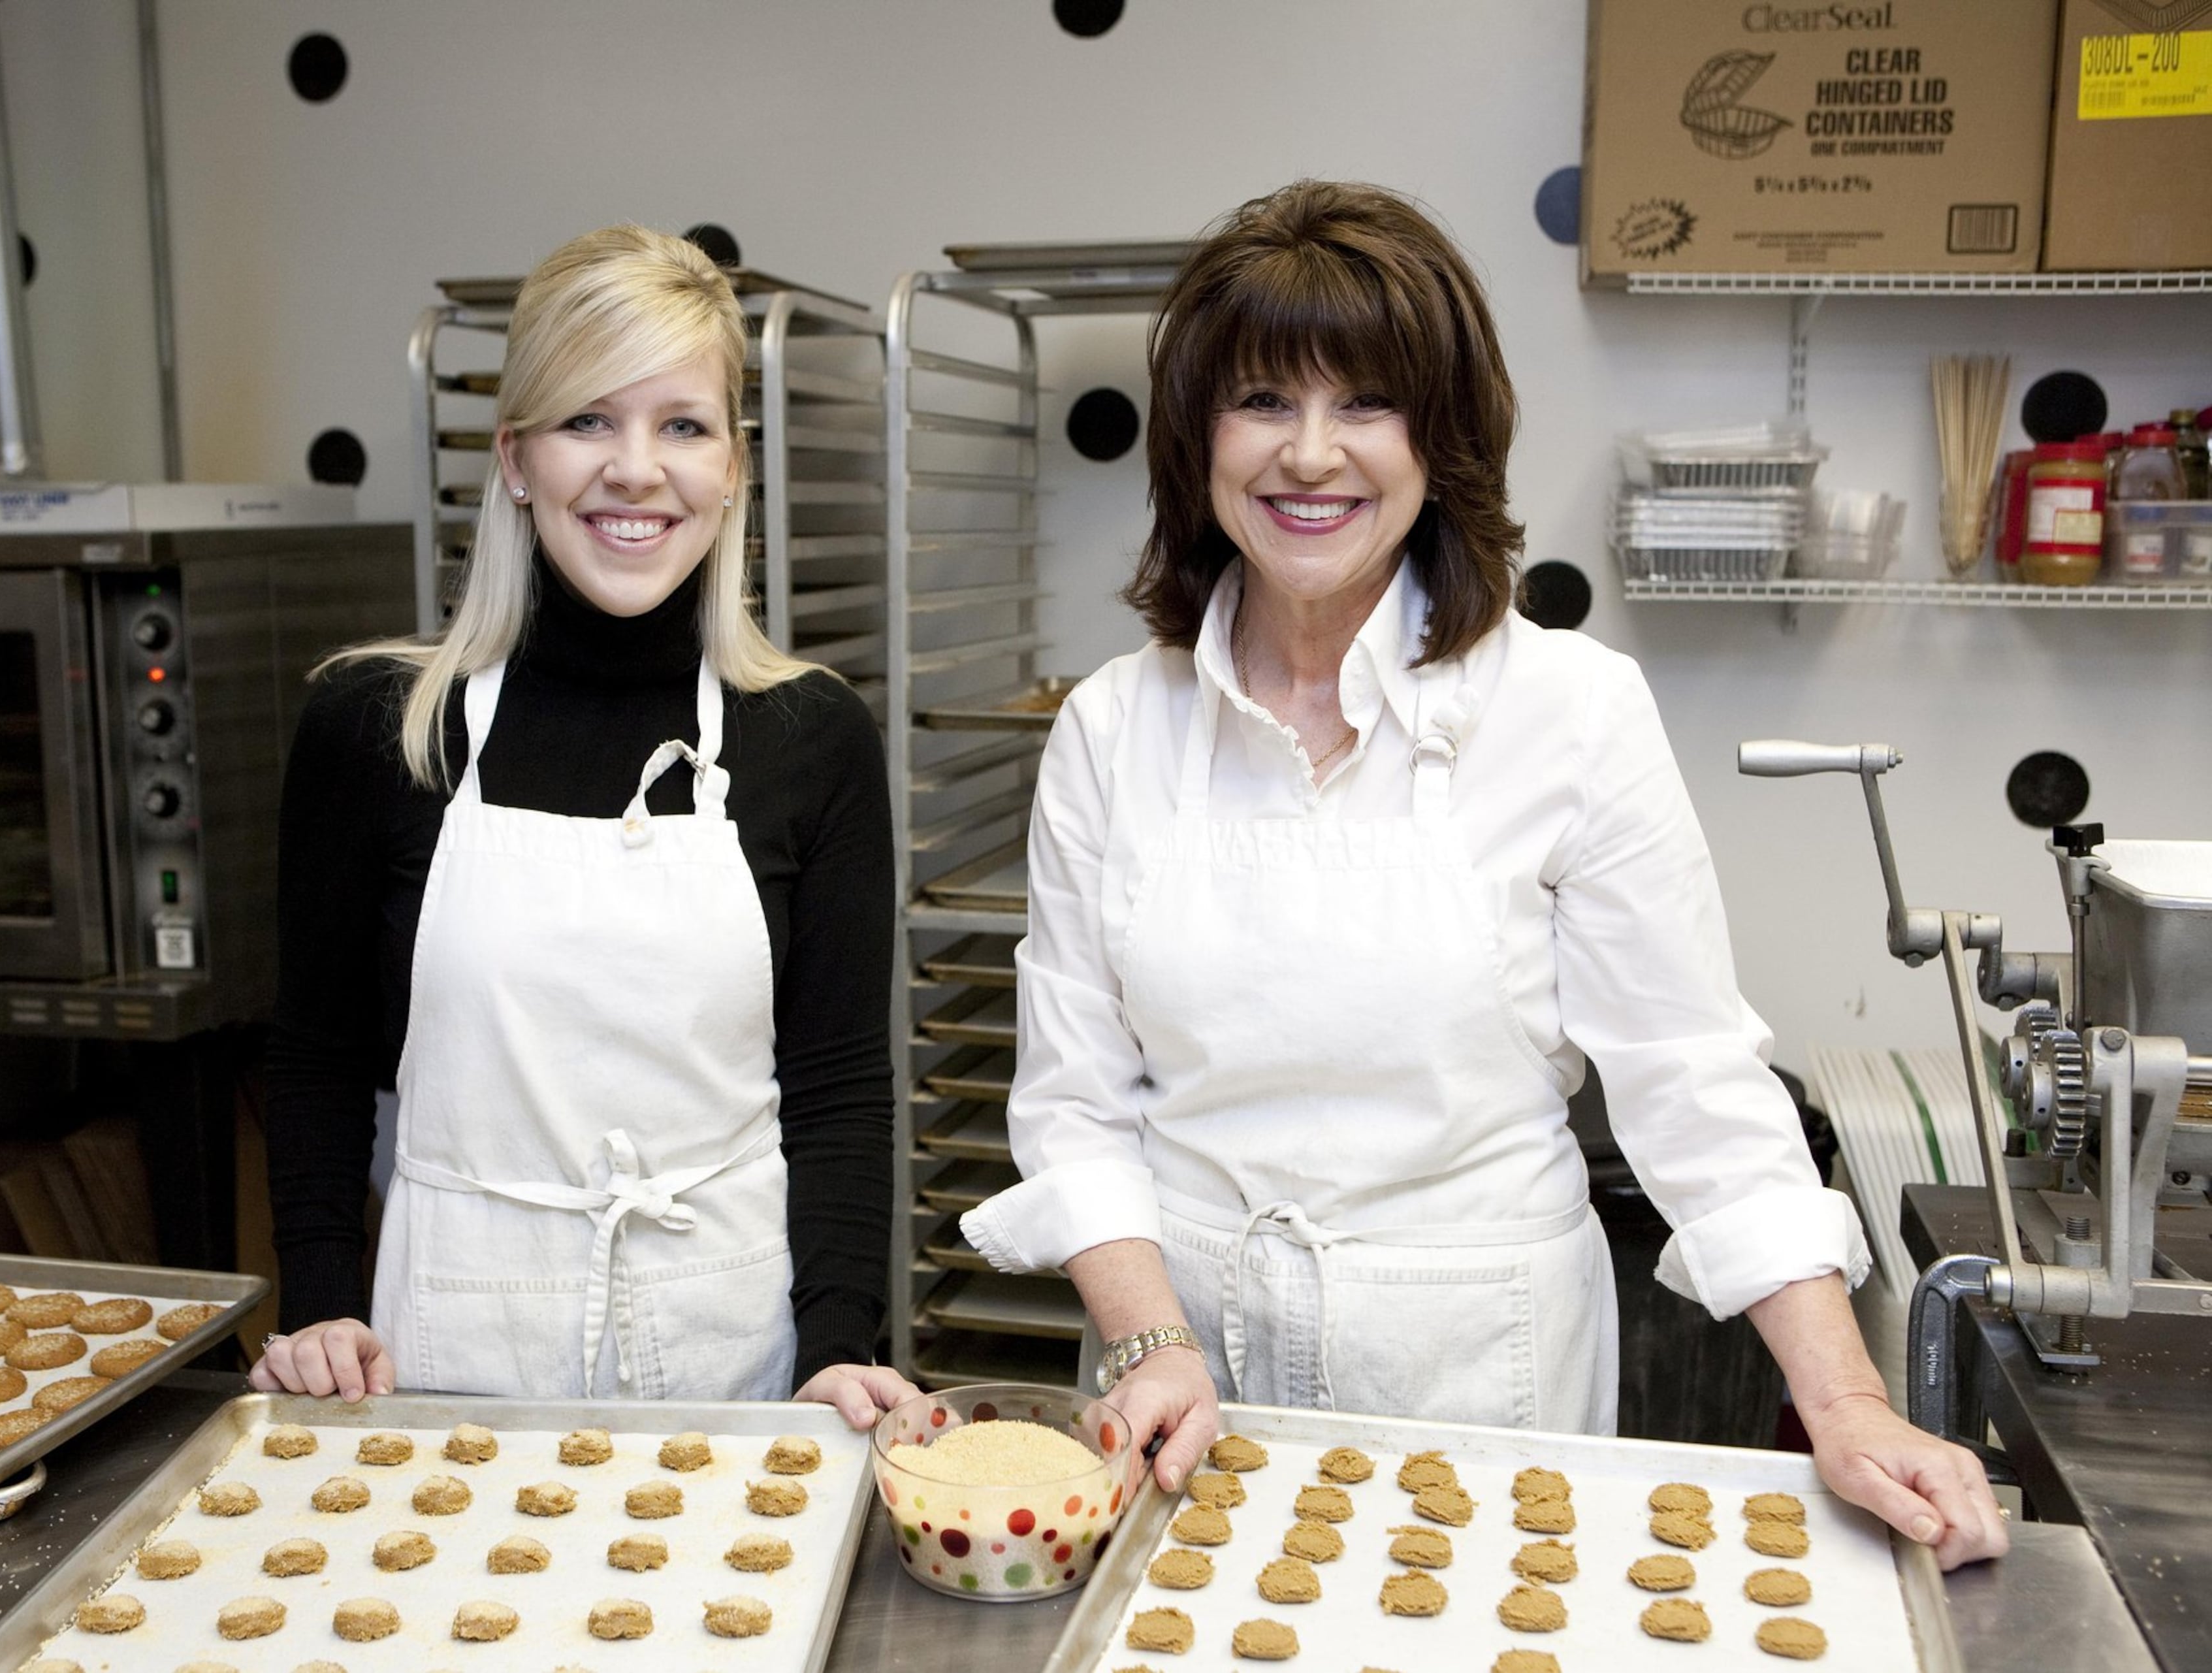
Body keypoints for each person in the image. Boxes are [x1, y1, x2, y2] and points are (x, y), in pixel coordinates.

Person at [959, 181, 2007, 1568]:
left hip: (1479, 1379)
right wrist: (1151, 1340)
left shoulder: (1571, 709)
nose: (1311, 455)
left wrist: (1849, 1401)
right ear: (1197, 439)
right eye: (1263, 400)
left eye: (1368, 405)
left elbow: (1693, 1084)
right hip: (1179, 1385)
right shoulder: (1114, 724)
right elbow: (1079, 1105)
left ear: (1441, 438)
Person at [257, 225, 915, 1429]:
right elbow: (314, 1058)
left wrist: (839, 1339)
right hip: (448, 1344)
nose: (635, 469)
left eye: (682, 425)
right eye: (587, 422)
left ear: (732, 466)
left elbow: (834, 1091)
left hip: (736, 1354)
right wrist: (316, 1308)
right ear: (515, 459)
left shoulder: (812, 737)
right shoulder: (379, 728)